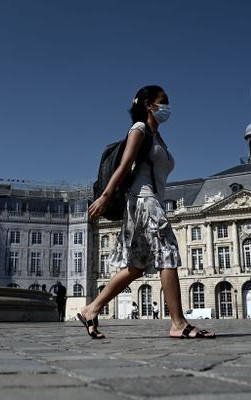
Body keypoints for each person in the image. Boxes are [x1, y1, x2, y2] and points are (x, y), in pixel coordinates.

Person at [78, 85, 215, 340]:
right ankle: (178, 323)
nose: (167, 107)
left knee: (136, 267)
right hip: (143, 200)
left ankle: (91, 309)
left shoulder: (156, 135)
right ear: (148, 104)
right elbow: (123, 166)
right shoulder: (139, 129)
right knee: (167, 252)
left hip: (151, 201)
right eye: (163, 101)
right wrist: (104, 198)